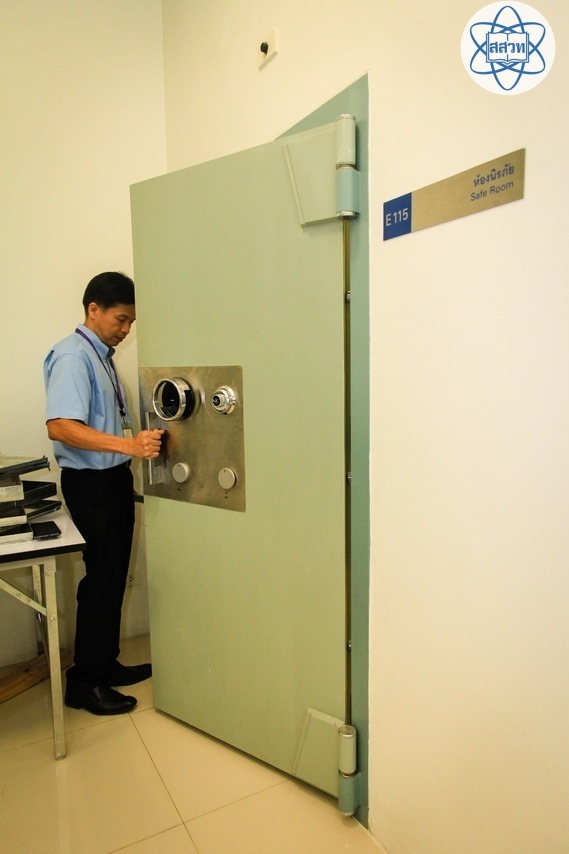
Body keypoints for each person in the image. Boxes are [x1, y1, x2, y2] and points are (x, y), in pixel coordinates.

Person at [43, 271, 164, 715]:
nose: (126, 329)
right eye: (121, 319)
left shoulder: (100, 356)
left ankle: (104, 664)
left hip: (111, 480)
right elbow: (61, 426)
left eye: (131, 321)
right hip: (91, 484)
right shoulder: (74, 356)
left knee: (112, 578)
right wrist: (128, 447)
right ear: (93, 309)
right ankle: (85, 683)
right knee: (100, 581)